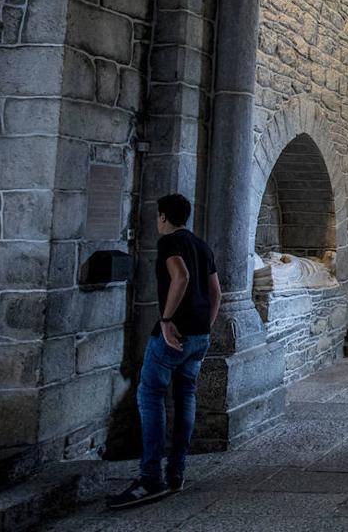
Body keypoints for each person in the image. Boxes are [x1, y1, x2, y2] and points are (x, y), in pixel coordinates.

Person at [108, 194, 220, 509]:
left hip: (174, 336)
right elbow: (216, 293)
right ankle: (176, 473)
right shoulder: (202, 245)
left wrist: (168, 319)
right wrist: (205, 326)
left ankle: (150, 478)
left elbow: (180, 276)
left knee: (150, 395)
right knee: (185, 396)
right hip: (198, 336)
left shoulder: (170, 243)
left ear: (162, 217)